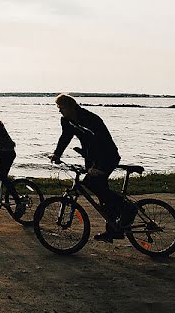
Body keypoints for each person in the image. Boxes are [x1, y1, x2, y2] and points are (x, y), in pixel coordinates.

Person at [49, 94, 136, 242]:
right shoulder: (66, 120)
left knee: (93, 185)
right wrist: (57, 154)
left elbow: (100, 142)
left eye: (61, 108)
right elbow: (65, 137)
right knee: (101, 193)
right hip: (92, 158)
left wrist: (98, 166)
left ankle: (129, 208)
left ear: (71, 107)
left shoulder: (90, 119)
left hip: (107, 156)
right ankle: (114, 229)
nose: (59, 111)